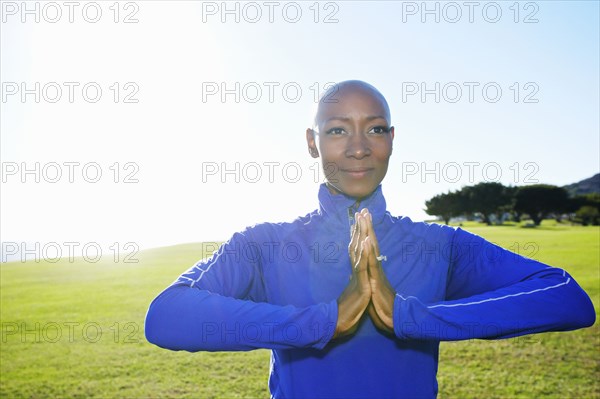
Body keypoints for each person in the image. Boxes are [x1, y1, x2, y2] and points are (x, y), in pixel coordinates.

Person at [145, 80, 595, 398]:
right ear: (311, 141)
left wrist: (410, 317)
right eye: (338, 129)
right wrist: (325, 321)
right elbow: (165, 316)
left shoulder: (440, 245)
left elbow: (568, 299)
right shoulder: (264, 245)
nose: (359, 147)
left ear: (392, 140)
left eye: (375, 128)